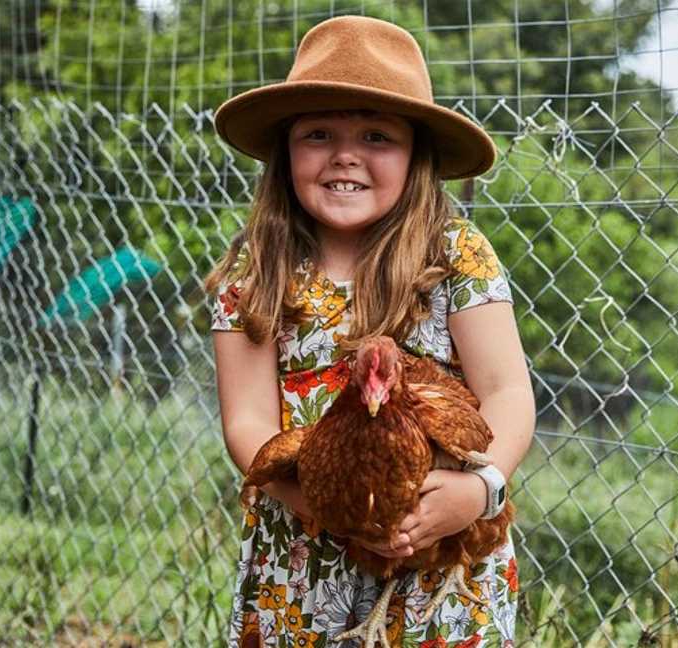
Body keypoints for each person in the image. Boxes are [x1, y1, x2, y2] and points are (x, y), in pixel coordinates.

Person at [205, 14, 535, 647]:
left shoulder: (455, 254)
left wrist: (479, 490)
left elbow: (508, 394)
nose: (345, 155)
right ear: (286, 153)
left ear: (416, 156)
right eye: (319, 133)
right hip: (302, 554)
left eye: (377, 136)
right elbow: (246, 421)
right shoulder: (257, 270)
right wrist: (332, 507)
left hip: (443, 557)